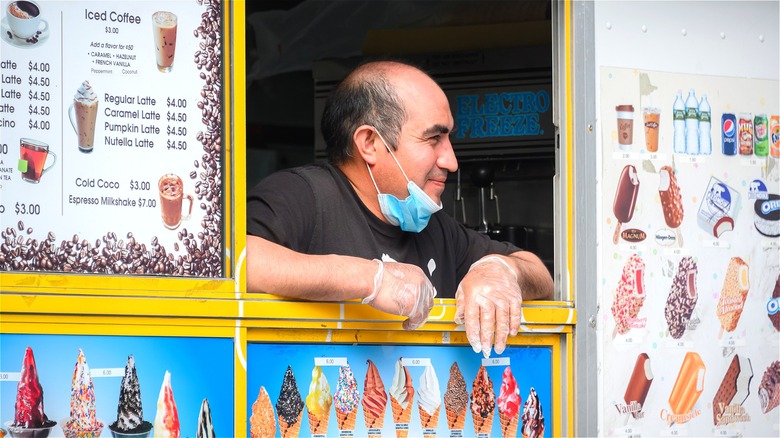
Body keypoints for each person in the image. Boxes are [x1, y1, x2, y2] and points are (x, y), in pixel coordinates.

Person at [246, 60, 553, 357]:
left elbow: (540, 275)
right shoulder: (303, 195)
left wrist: (500, 270)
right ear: (369, 143)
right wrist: (372, 278)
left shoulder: (437, 228)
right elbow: (241, 261)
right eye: (433, 139)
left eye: (448, 139)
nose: (451, 161)